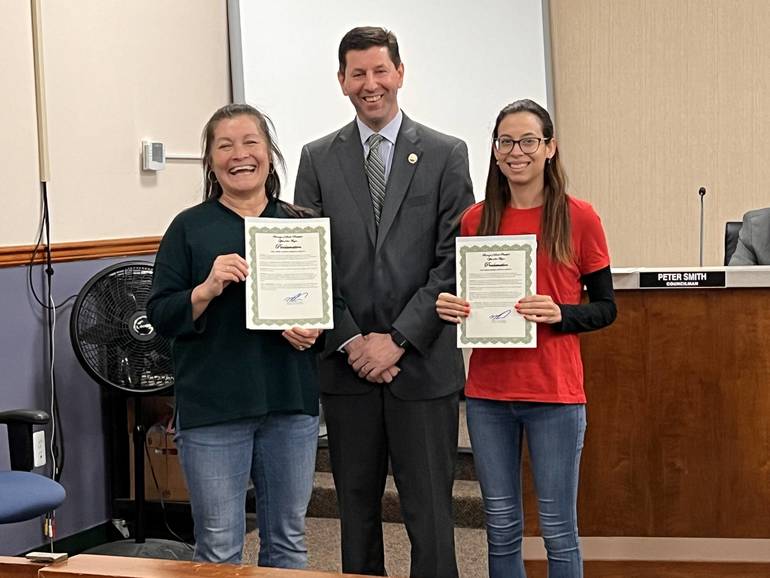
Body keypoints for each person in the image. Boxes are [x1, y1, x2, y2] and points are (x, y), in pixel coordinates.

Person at [294, 26, 474, 578]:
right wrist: (352, 339)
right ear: (342, 81)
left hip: (421, 364)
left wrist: (395, 340)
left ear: (399, 73)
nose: (369, 84)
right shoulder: (318, 157)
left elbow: (453, 260)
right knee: (355, 514)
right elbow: (309, 259)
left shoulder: (446, 153)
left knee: (431, 516)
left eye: (379, 71)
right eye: (357, 74)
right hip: (346, 370)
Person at [436, 99, 616, 578]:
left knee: (558, 529)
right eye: (505, 142)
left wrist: (561, 313)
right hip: (488, 395)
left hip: (554, 395)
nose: (517, 151)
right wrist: (451, 307)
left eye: (528, 141)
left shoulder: (580, 218)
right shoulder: (475, 222)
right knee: (499, 526)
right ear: (495, 152)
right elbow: (466, 297)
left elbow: (606, 308)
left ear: (550, 147)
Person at [147, 103, 327, 568]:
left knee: (288, 540)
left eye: (251, 143)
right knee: (219, 547)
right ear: (210, 160)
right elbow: (161, 315)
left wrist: (315, 327)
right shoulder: (189, 228)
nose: (239, 154)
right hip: (213, 411)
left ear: (269, 153)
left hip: (289, 405)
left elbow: (334, 305)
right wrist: (204, 290)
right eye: (224, 146)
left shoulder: (299, 225)